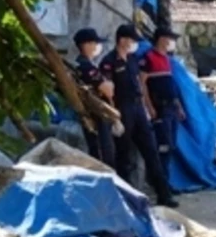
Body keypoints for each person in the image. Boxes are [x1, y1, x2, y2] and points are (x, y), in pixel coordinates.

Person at [100, 23, 177, 207]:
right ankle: (126, 200)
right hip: (121, 109)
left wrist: (145, 108)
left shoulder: (134, 59)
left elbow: (139, 84)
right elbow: (106, 90)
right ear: (122, 40)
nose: (134, 44)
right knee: (123, 155)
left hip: (137, 108)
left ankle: (164, 195)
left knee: (151, 151)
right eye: (132, 40)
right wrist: (114, 116)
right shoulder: (109, 61)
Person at [140, 27, 187, 180]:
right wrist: (149, 107)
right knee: (163, 146)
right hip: (159, 108)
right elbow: (142, 85)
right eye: (169, 38)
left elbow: (171, 85)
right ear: (161, 39)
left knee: (171, 145)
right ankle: (160, 183)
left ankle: (166, 181)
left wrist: (178, 106)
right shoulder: (148, 58)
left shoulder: (166, 59)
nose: (171, 42)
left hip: (171, 107)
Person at [72, 27, 117, 168]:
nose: (98, 47)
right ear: (86, 45)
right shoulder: (85, 66)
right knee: (103, 155)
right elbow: (107, 90)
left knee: (106, 152)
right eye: (95, 43)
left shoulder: (89, 65)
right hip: (96, 115)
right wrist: (109, 83)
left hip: (99, 114)